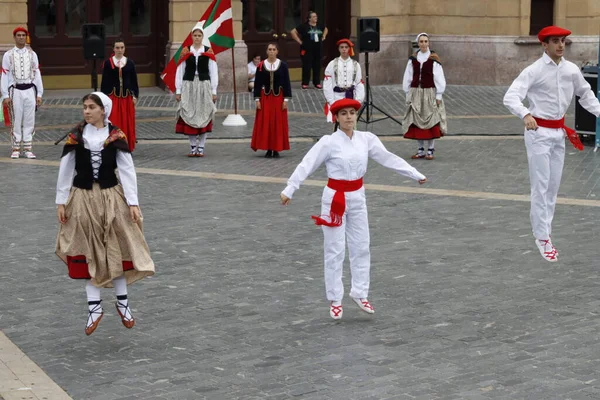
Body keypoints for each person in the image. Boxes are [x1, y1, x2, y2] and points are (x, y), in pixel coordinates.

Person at [280, 99, 427, 320]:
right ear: (336, 118)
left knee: (361, 246)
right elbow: (307, 163)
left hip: (358, 197)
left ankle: (360, 292)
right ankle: (335, 299)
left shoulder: (366, 139)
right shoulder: (328, 142)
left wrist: (414, 173)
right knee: (335, 250)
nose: (349, 117)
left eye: (352, 113)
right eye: (344, 114)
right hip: (334, 199)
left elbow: (388, 158)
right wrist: (290, 188)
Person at [55, 92, 155, 335]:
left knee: (116, 248)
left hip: (111, 198)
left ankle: (123, 303)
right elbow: (66, 169)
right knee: (89, 250)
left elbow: (127, 170)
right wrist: (61, 201)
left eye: (91, 107)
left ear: (103, 110)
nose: (86, 111)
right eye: (84, 108)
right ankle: (94, 307)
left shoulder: (116, 136)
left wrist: (132, 202)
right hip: (82, 198)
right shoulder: (76, 136)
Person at [503, 25, 600, 263]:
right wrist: (525, 114)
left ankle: (546, 231)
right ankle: (542, 237)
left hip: (559, 134)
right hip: (538, 134)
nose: (560, 45)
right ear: (544, 45)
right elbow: (510, 96)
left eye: (563, 41)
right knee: (541, 186)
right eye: (555, 41)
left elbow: (586, 95)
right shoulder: (533, 71)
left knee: (553, 187)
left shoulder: (571, 70)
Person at [401, 33, 447, 161]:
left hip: (429, 93)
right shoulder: (413, 59)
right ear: (418, 43)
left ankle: (430, 149)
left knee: (431, 120)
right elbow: (408, 76)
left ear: (429, 43)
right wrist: (407, 92)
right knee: (417, 121)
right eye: (421, 41)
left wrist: (438, 95)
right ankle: (420, 149)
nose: (424, 44)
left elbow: (439, 77)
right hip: (416, 92)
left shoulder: (434, 60)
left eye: (426, 41)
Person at [175, 26, 218, 157]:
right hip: (189, 85)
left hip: (204, 84)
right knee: (189, 113)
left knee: (204, 114)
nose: (197, 38)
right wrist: (178, 90)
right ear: (192, 36)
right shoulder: (186, 51)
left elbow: (213, 71)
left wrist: (214, 90)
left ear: (202, 37)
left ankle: (201, 147)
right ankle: (193, 146)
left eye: (199, 35)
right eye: (195, 35)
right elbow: (180, 70)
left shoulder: (208, 51)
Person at [1, 27, 44, 159]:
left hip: (30, 90)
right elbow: (4, 75)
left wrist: (39, 94)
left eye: (23, 35)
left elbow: (37, 74)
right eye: (18, 35)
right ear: (14, 37)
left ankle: (27, 148)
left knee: (29, 119)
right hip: (15, 90)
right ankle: (15, 148)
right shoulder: (8, 55)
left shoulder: (32, 54)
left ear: (26, 37)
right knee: (16, 118)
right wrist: (5, 95)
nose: (21, 37)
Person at [251, 42, 292, 158]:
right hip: (266, 98)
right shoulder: (261, 65)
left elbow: (287, 83)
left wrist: (286, 100)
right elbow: (257, 83)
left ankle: (276, 148)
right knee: (266, 122)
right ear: (266, 51)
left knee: (277, 123)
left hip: (279, 98)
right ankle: (268, 148)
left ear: (277, 51)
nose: (272, 52)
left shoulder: (283, 65)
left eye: (274, 49)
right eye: (270, 49)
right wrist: (257, 99)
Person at [101, 39, 139, 152]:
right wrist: (104, 98)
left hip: (126, 98)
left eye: (122, 47)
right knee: (114, 121)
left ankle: (126, 145)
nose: (120, 50)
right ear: (113, 49)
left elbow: (134, 81)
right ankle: (113, 145)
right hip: (113, 98)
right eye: (117, 48)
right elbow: (105, 81)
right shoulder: (108, 63)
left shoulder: (130, 63)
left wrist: (135, 95)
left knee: (128, 122)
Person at [323, 38, 365, 123]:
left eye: (346, 47)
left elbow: (359, 83)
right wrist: (331, 101)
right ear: (339, 49)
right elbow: (327, 84)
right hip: (337, 97)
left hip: (351, 97)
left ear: (349, 49)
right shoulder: (332, 64)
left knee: (350, 121)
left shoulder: (356, 64)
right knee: (339, 120)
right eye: (342, 47)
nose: (344, 49)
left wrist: (358, 100)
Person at [290, 11, 327, 90]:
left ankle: (317, 82)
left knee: (317, 66)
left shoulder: (319, 25)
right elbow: (293, 32)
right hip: (307, 49)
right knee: (307, 65)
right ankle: (305, 82)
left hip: (317, 49)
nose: (315, 18)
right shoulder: (304, 26)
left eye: (316, 16)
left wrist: (324, 36)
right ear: (309, 18)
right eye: (313, 17)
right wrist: (299, 41)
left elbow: (326, 29)